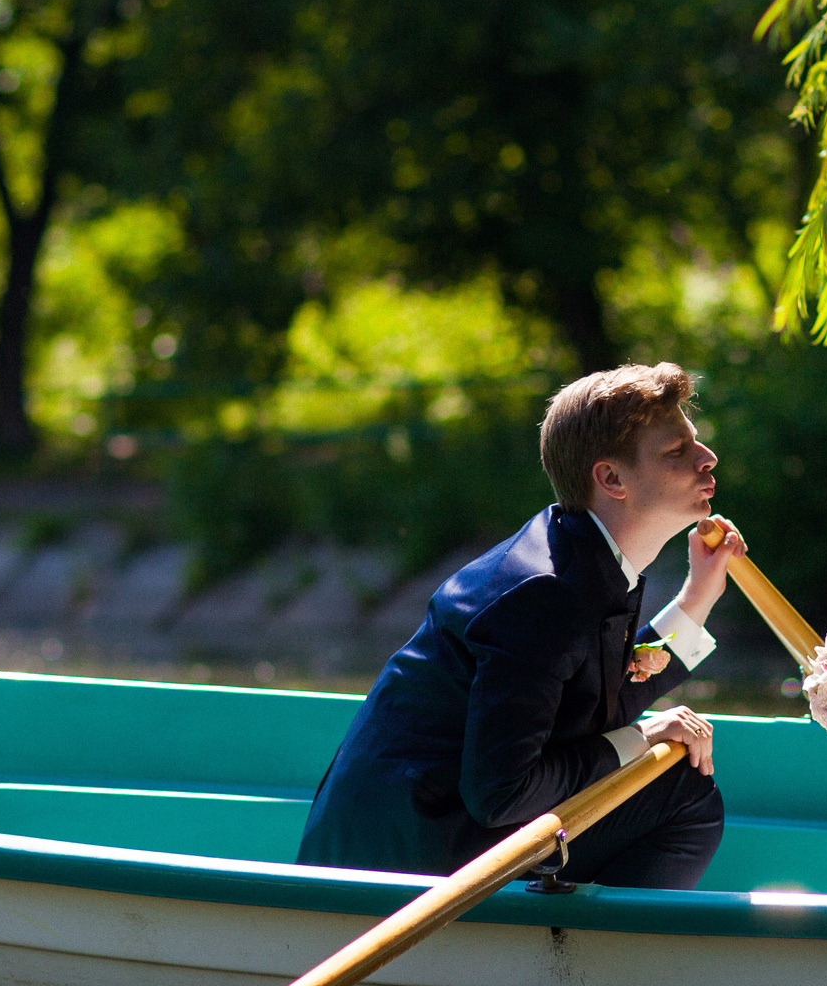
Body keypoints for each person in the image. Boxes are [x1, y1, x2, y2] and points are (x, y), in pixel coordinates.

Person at [296, 363, 746, 888]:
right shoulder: (544, 593)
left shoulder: (576, 556)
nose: (707, 456)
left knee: (667, 781)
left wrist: (698, 596)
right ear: (612, 479)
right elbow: (503, 794)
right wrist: (641, 737)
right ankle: (604, 967)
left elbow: (587, 708)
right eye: (676, 451)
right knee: (682, 794)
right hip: (396, 866)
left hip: (432, 829)